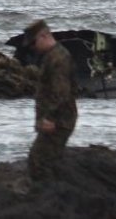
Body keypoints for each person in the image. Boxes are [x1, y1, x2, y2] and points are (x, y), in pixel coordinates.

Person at [23, 19, 78, 180]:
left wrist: (49, 118)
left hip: (58, 122)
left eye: (33, 43)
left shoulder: (58, 59)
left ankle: (49, 198)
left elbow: (61, 92)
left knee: (40, 161)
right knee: (45, 161)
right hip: (55, 121)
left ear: (43, 36)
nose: (33, 48)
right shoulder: (51, 56)